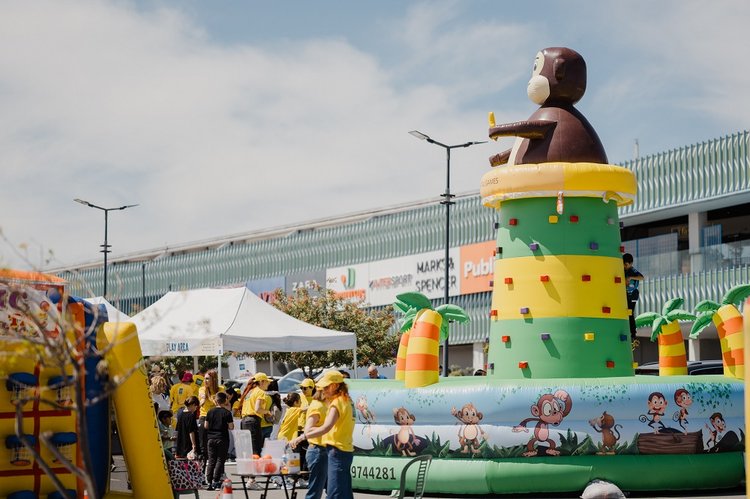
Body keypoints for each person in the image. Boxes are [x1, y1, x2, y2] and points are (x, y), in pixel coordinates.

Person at [292, 370, 354, 499]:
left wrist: (304, 436)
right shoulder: (347, 401)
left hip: (336, 450)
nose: (323, 390)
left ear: (335, 386)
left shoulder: (337, 403)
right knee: (342, 491)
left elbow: (326, 427)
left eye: (326, 387)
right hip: (343, 449)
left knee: (334, 493)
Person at [290, 384, 328, 499]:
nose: (303, 390)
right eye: (302, 388)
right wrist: (301, 438)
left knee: (330, 488)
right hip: (318, 449)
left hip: (327, 449)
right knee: (316, 489)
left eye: (305, 388)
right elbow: (310, 428)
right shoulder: (317, 406)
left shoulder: (327, 405)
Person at [204, 391, 234, 490]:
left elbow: (206, 426)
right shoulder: (227, 413)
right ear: (225, 400)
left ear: (215, 401)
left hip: (211, 438)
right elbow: (231, 427)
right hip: (222, 438)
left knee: (211, 460)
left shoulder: (210, 411)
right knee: (220, 460)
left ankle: (208, 481)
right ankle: (216, 481)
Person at [239, 372, 272, 457]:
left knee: (247, 449)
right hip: (253, 421)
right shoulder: (261, 392)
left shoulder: (250, 392)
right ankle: (256, 469)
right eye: (267, 381)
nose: (268, 383)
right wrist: (267, 412)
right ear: (261, 382)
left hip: (244, 421)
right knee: (255, 449)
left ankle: (248, 469)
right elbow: (257, 409)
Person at [197, 369, 219, 460]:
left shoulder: (220, 389)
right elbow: (201, 401)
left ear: (213, 379)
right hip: (204, 417)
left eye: (207, 379)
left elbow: (221, 403)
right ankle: (203, 463)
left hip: (216, 418)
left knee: (216, 442)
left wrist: (211, 398)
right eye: (204, 379)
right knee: (203, 443)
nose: (205, 381)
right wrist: (203, 399)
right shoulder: (202, 389)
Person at [623, 253, 644, 341]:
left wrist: (631, 277)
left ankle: (633, 334)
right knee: (626, 312)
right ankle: (628, 330)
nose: (625, 266)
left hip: (633, 294)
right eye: (624, 264)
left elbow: (641, 277)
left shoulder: (632, 270)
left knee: (630, 313)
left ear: (630, 264)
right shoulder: (622, 269)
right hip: (625, 294)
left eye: (626, 264)